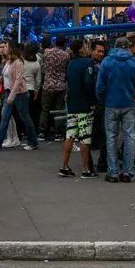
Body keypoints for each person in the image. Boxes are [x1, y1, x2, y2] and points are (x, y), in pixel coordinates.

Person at [96, 36, 135, 183]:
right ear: (128, 46)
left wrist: (102, 99)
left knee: (111, 137)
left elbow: (99, 86)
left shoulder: (107, 61)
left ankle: (113, 172)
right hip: (129, 104)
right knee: (130, 137)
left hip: (111, 104)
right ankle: (128, 172)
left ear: (115, 46)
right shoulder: (134, 62)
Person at [0, 43, 40, 152]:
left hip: (20, 94)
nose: (3, 48)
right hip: (9, 92)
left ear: (11, 49)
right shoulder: (8, 61)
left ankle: (33, 141)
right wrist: (0, 80)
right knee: (5, 118)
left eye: (6, 46)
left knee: (25, 117)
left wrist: (11, 96)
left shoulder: (18, 62)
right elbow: (9, 77)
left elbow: (18, 81)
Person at [59, 37, 97, 178]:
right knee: (85, 137)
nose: (87, 48)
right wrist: (92, 99)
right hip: (84, 104)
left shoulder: (70, 63)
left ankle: (64, 166)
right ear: (81, 49)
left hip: (72, 103)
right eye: (86, 45)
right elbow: (88, 82)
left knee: (70, 135)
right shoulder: (88, 63)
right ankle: (86, 169)